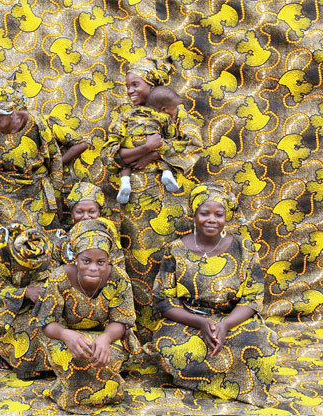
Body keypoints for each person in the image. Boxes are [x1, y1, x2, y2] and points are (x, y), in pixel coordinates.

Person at [102, 57, 203, 343]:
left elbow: (194, 143)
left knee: (169, 261)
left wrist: (155, 155)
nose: (130, 91)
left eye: (136, 85)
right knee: (137, 262)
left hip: (168, 201)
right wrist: (144, 149)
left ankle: (175, 328)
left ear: (153, 84)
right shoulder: (123, 115)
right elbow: (109, 154)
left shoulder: (175, 112)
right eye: (127, 86)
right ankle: (141, 331)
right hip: (133, 201)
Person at [152, 182, 278, 404]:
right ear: (194, 214)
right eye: (204, 213)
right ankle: (210, 379)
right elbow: (163, 300)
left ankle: (222, 382)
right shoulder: (175, 249)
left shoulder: (245, 247)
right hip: (188, 320)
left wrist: (225, 325)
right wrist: (201, 324)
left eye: (218, 214)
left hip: (232, 318)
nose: (211, 219)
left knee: (261, 341)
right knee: (170, 345)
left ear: (226, 217)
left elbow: (253, 296)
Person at [32, 218, 137, 414]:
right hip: (64, 335)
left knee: (102, 359)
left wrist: (105, 338)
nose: (93, 268)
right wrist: (66, 335)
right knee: (73, 360)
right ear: (75, 258)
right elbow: (46, 323)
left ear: (109, 260)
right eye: (86, 261)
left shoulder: (118, 278)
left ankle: (90, 391)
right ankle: (84, 394)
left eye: (101, 262)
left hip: (107, 336)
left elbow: (121, 321)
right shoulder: (59, 277)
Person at [0, 78, 63, 245]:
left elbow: (55, 158)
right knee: (6, 247)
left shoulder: (36, 123)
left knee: (41, 246)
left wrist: (56, 196)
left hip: (37, 194)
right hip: (3, 199)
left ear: (10, 112)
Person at [0, 224, 57, 378]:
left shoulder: (43, 249)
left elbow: (49, 276)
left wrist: (43, 291)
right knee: (25, 329)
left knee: (49, 324)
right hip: (0, 303)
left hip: (32, 300)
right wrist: (24, 293)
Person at [116, 85, 182, 204]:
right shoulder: (164, 117)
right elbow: (172, 137)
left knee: (124, 163)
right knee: (166, 149)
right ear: (163, 109)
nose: (175, 111)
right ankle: (167, 173)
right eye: (174, 109)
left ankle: (125, 182)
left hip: (130, 144)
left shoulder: (129, 113)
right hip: (153, 141)